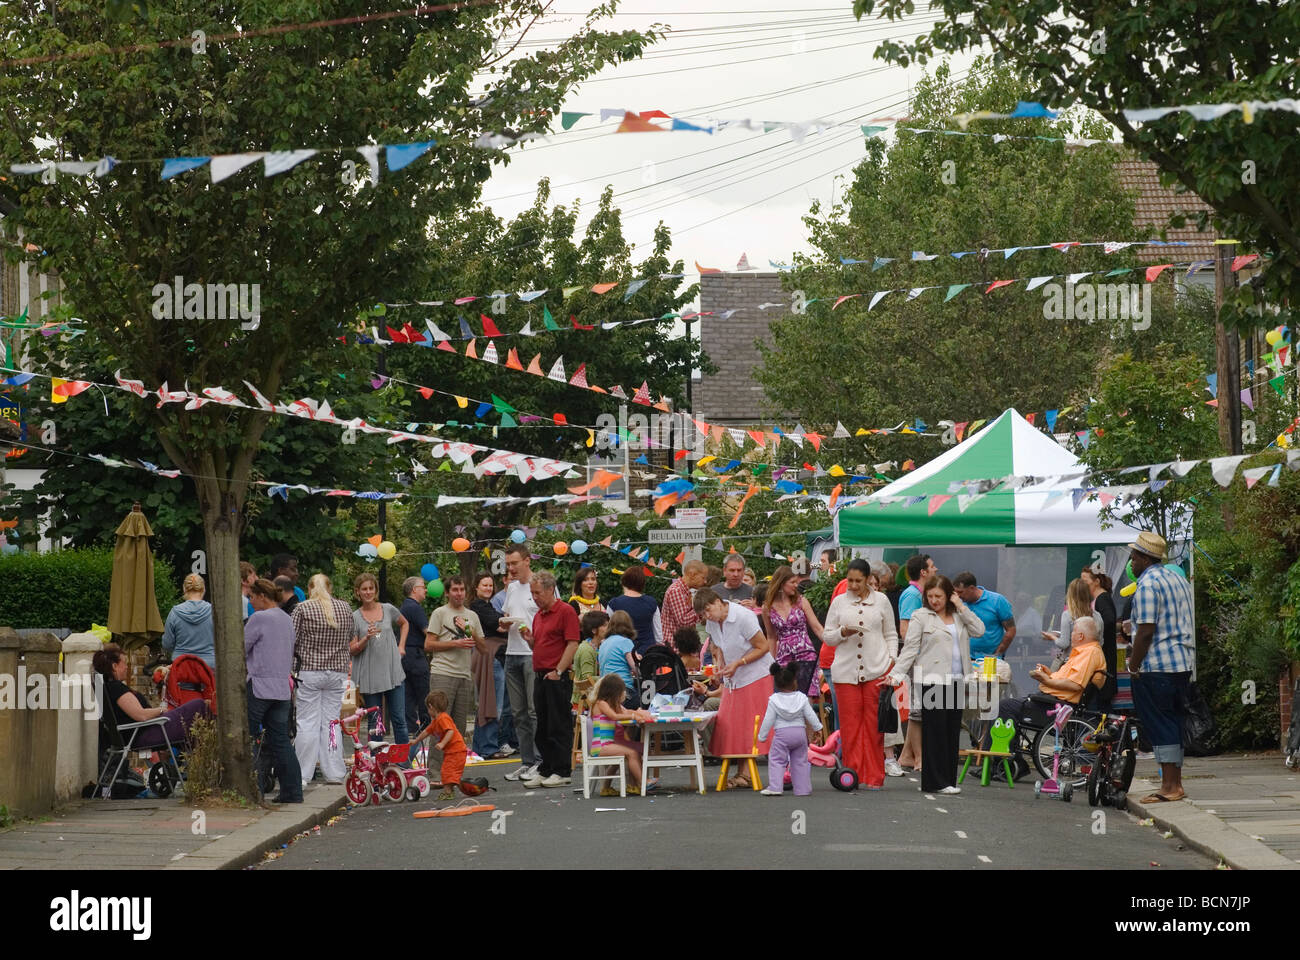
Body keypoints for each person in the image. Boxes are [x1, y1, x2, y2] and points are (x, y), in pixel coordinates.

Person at [890, 575, 983, 795]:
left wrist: (960, 605)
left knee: (951, 731)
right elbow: (910, 649)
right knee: (935, 732)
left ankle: (948, 779)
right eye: (930, 596)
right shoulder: (920, 616)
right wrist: (896, 675)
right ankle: (934, 781)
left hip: (956, 679)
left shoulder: (959, 615)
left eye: (939, 596)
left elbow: (979, 630)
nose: (934, 600)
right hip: (931, 679)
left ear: (949, 595)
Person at [986, 617, 1107, 778]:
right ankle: (1006, 761)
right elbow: (1069, 678)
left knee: (1004, 707)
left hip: (1056, 706)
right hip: (1054, 701)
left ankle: (998, 763)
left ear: (1081, 636)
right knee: (1008, 705)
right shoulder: (1085, 651)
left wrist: (1046, 680)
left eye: (1073, 632)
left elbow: (1076, 685)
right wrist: (1049, 674)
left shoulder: (1089, 653)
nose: (1070, 635)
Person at [1126, 532, 1194, 804]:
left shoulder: (1147, 584)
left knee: (1159, 723)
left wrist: (1133, 665)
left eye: (1133, 557)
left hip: (1156, 665)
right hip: (1181, 664)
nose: (1131, 562)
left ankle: (1169, 787)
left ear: (1144, 558)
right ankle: (1175, 781)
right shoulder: (1177, 579)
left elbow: (1146, 631)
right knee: (1174, 721)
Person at [823, 558, 899, 790]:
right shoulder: (838, 602)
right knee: (850, 727)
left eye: (858, 581)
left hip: (876, 669)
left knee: (874, 727)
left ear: (868, 579)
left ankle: (874, 776)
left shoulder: (882, 601)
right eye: (850, 580)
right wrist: (842, 632)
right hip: (846, 672)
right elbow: (827, 636)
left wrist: (892, 661)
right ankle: (852, 774)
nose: (853, 585)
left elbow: (891, 634)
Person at [694, 587, 775, 787]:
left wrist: (738, 663)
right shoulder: (713, 621)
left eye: (708, 611)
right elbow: (718, 646)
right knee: (731, 724)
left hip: (756, 674)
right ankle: (742, 773)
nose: (707, 617)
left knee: (750, 724)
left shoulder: (743, 616)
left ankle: (745, 773)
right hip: (734, 677)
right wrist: (720, 663)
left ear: (717, 602)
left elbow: (763, 646)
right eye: (703, 615)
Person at [519, 570, 581, 788]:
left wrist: (559, 671)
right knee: (543, 726)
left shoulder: (565, 611)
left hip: (556, 676)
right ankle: (547, 768)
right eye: (532, 593)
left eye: (537, 593)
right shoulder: (539, 615)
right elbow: (540, 645)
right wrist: (530, 640)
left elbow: (572, 643)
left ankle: (562, 770)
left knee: (559, 724)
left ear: (549, 590)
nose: (534, 597)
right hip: (540, 675)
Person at [291, 574, 353, 787]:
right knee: (331, 721)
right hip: (337, 671)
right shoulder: (345, 608)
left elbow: (293, 639)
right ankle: (334, 772)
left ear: (310, 588)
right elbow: (349, 636)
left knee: (307, 722)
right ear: (330, 587)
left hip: (310, 670)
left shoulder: (302, 609)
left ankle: (301, 774)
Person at [245, 578, 302, 803]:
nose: (250, 602)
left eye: (251, 597)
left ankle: (254, 790)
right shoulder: (287, 619)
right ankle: (292, 791)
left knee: (249, 738)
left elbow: (241, 647)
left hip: (259, 685)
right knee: (280, 741)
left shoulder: (258, 618)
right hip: (281, 688)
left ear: (261, 596)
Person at [93, 643, 210, 754]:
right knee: (198, 705)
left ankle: (197, 758)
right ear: (115, 666)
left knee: (194, 716)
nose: (127, 667)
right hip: (145, 734)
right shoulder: (116, 688)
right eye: (124, 663)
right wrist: (161, 710)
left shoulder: (108, 688)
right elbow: (141, 715)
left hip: (145, 731)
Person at [424, 576, 485, 770]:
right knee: (440, 724)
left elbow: (483, 648)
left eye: (462, 589)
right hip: (443, 672)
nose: (459, 593)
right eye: (455, 590)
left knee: (457, 727)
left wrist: (470, 631)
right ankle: (434, 771)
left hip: (464, 675)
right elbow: (428, 644)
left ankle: (452, 771)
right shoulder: (439, 613)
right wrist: (455, 643)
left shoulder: (472, 616)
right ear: (447, 592)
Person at [349, 572, 409, 747]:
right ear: (357, 592)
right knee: (375, 724)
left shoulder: (388, 609)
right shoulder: (354, 617)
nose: (368, 592)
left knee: (399, 719)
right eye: (364, 589)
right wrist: (365, 638)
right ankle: (377, 765)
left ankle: (403, 764)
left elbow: (404, 623)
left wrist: (401, 646)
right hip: (370, 676)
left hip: (392, 672)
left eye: (371, 588)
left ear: (375, 590)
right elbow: (352, 649)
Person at [501, 544, 541, 782]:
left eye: (514, 563)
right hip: (512, 651)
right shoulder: (512, 587)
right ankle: (526, 762)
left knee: (534, 711)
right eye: (508, 564)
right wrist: (503, 623)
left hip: (532, 653)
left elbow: (551, 614)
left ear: (527, 561)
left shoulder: (541, 584)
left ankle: (539, 760)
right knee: (518, 713)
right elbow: (506, 617)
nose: (511, 568)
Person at [896, 555, 936, 771]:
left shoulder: (917, 594)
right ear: (923, 572)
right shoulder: (912, 595)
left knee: (918, 710)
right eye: (932, 566)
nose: (935, 569)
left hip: (921, 657)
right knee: (918, 710)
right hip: (918, 658)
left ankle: (906, 756)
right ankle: (919, 758)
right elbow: (905, 629)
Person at [759, 662, 823, 796]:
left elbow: (768, 719)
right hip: (800, 733)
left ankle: (775, 787)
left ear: (776, 683)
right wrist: (818, 728)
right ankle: (803, 789)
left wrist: (762, 736)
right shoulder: (801, 698)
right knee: (800, 761)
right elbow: (810, 715)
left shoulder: (774, 700)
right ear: (794, 681)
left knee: (776, 759)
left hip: (782, 734)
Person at [589, 674, 656, 795]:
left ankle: (609, 788)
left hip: (608, 744)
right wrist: (633, 716)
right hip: (601, 746)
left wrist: (639, 713)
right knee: (631, 752)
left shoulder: (611, 704)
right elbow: (614, 716)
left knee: (632, 751)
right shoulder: (601, 703)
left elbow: (625, 711)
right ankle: (643, 782)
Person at [764, 564, 824, 699]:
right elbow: (771, 637)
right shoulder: (767, 608)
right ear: (781, 583)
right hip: (783, 655)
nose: (796, 585)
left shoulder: (801, 601)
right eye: (793, 582)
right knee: (783, 697)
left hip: (805, 652)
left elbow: (817, 628)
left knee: (804, 698)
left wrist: (833, 643)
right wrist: (770, 661)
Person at [470, 572, 512, 759]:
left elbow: (502, 624)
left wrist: (504, 623)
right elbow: (498, 625)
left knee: (489, 703)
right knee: (493, 704)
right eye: (484, 585)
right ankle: (488, 747)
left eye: (489, 585)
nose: (488, 588)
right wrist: (506, 622)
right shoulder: (478, 606)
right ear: (476, 588)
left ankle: (481, 747)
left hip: (494, 656)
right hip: (490, 657)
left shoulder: (487, 605)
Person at [411, 689, 468, 799]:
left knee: (447, 771)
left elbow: (450, 731)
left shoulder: (443, 718)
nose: (428, 711)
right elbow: (426, 732)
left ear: (431, 707)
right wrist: (416, 740)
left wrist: (442, 743)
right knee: (449, 771)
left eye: (428, 708)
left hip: (456, 750)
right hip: (453, 751)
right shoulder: (436, 721)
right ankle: (452, 789)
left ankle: (448, 792)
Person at [952, 572, 1016, 661]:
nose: (958, 596)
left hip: (990, 659)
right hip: (965, 659)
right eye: (956, 593)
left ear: (971, 588)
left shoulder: (997, 601)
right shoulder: (958, 603)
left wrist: (998, 654)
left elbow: (1011, 630)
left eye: (960, 592)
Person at [399, 577, 432, 746]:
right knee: (423, 692)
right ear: (414, 590)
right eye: (422, 587)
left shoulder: (404, 607)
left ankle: (410, 729)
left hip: (405, 656)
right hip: (416, 655)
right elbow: (428, 632)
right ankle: (426, 727)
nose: (425, 590)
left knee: (408, 695)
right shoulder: (415, 608)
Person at [1080, 566, 1118, 707]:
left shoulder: (1102, 599)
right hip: (1102, 657)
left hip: (1104, 658)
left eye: (1085, 581)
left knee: (1100, 704)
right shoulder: (1099, 599)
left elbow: (1108, 620)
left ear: (1096, 581)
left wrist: (1093, 634)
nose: (1083, 585)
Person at [161, 573, 216, 670]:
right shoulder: (213, 612)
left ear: (184, 589)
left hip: (181, 664)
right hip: (208, 666)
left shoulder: (175, 613)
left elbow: (167, 644)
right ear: (203, 589)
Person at [1048, 578, 1102, 670]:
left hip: (1071, 665)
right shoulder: (1097, 616)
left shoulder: (1068, 615)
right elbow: (1100, 642)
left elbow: (1064, 644)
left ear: (1070, 595)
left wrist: (1053, 637)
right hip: (1090, 665)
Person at [606, 565, 661, 654]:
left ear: (624, 581)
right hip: (647, 653)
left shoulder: (614, 603)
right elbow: (658, 635)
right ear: (643, 583)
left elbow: (608, 632)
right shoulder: (652, 602)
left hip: (622, 652)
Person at [597, 610, 640, 709]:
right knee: (642, 703)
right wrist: (639, 661)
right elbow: (636, 669)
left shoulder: (603, 643)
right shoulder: (625, 642)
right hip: (622, 690)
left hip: (604, 691)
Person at [660, 560, 708, 651]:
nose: (705, 582)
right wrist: (701, 608)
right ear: (692, 574)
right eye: (703, 578)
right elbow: (683, 621)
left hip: (681, 645)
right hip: (674, 647)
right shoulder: (676, 590)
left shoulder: (684, 591)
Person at [573, 610, 608, 706]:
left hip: (593, 697)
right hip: (585, 702)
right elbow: (587, 679)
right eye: (604, 625)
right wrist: (608, 678)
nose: (608, 628)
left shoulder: (598, 646)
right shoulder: (586, 650)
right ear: (594, 630)